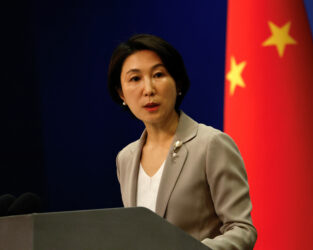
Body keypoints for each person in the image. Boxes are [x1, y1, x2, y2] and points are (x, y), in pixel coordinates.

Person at [108, 34, 257, 250]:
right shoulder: (126, 158)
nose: (148, 89)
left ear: (177, 83)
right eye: (135, 79)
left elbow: (242, 229)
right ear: (121, 93)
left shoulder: (211, 144)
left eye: (158, 75)